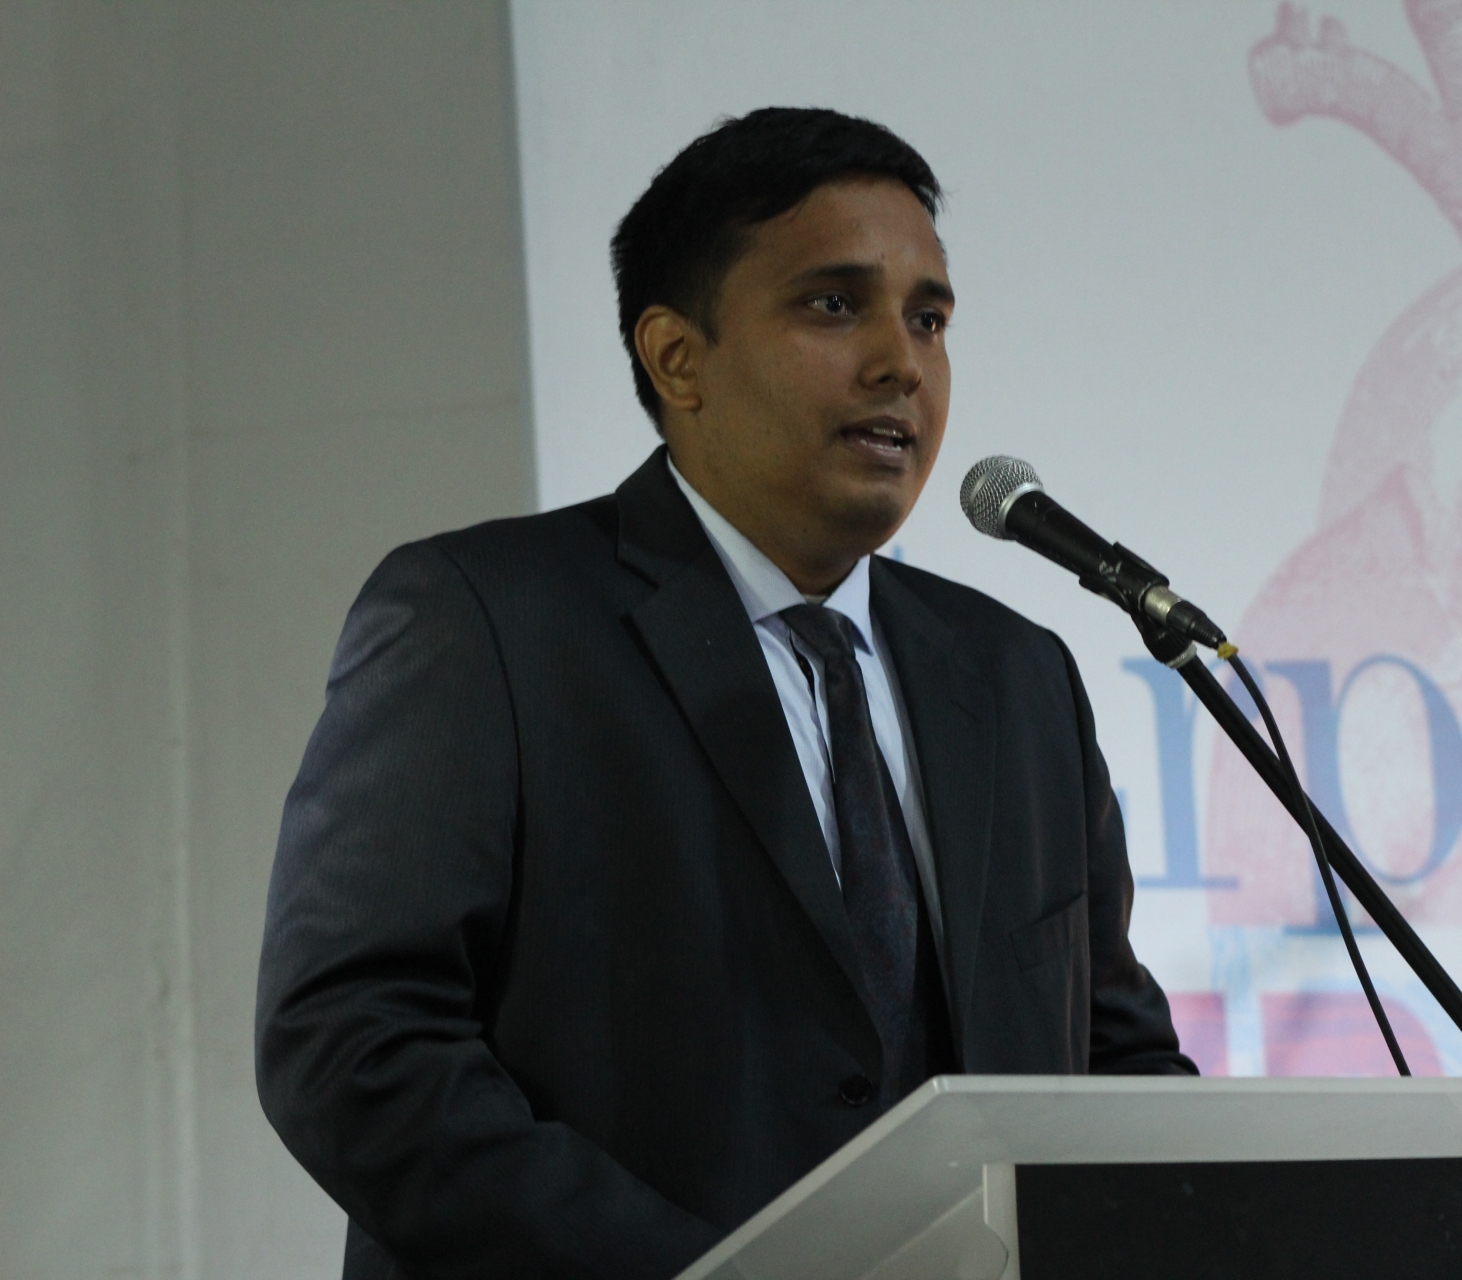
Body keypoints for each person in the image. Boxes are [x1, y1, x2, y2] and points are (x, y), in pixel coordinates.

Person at [255, 106, 1194, 1280]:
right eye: (834, 304)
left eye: (929, 317)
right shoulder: (484, 621)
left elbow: (1111, 1064)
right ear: (675, 357)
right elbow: (353, 1046)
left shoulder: (1015, 675)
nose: (902, 363)